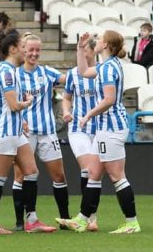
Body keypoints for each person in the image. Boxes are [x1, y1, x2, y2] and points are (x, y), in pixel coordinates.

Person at [58, 31, 140, 234]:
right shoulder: (107, 66)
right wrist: (79, 48)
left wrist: (88, 115)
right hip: (107, 127)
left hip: (110, 127)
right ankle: (83, 220)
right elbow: (84, 71)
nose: (98, 40)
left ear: (106, 46)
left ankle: (131, 222)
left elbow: (109, 99)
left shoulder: (108, 68)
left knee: (117, 176)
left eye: (102, 39)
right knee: (93, 174)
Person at [0, 32, 55, 234]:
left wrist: (21, 118)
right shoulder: (6, 71)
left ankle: (32, 220)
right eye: (23, 46)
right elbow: (13, 105)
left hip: (16, 130)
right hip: (5, 131)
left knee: (31, 171)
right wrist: (27, 103)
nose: (25, 50)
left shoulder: (10, 70)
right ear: (13, 49)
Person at [11, 34, 68, 231]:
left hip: (47, 132)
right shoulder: (15, 74)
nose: (34, 53)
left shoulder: (46, 72)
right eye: (30, 49)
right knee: (22, 176)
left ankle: (65, 218)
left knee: (59, 176)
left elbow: (67, 79)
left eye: (37, 50)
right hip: (24, 133)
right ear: (23, 49)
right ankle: (23, 220)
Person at [62, 36, 99, 232]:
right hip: (78, 128)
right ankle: (88, 217)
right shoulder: (73, 75)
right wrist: (66, 111)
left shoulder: (103, 72)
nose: (83, 53)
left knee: (95, 174)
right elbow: (66, 98)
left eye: (85, 50)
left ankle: (90, 216)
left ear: (93, 52)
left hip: (99, 128)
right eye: (81, 49)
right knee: (88, 169)